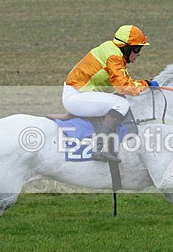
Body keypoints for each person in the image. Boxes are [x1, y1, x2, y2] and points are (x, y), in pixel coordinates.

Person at [62, 24, 158, 162]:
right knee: (121, 104)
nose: (139, 53)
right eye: (137, 49)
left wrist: (144, 84)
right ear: (126, 47)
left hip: (80, 92)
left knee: (119, 100)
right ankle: (99, 147)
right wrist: (146, 85)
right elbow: (124, 87)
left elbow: (125, 81)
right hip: (77, 96)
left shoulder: (113, 51)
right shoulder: (113, 57)